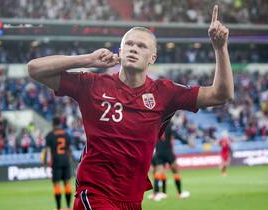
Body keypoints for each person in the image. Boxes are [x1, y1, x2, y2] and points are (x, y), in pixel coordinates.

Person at [28, 5, 233, 210]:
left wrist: (220, 48)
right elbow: (35, 69)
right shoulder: (91, 84)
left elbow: (221, 94)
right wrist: (87, 59)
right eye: (129, 44)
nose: (134, 48)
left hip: (132, 201)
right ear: (120, 51)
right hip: (95, 194)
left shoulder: (165, 93)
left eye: (142, 46)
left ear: (153, 57)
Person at [149, 122, 190, 201]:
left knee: (158, 172)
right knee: (176, 171)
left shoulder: (155, 124)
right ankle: (180, 193)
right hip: (168, 152)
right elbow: (176, 135)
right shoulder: (169, 124)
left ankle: (156, 194)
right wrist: (186, 142)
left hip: (159, 152)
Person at [43, 117, 73, 210]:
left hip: (56, 162)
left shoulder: (50, 135)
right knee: (67, 183)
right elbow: (69, 150)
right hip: (66, 161)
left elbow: (47, 151)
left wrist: (45, 164)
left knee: (56, 184)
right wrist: (71, 161)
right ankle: (68, 207)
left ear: (53, 124)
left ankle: (59, 208)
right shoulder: (67, 135)